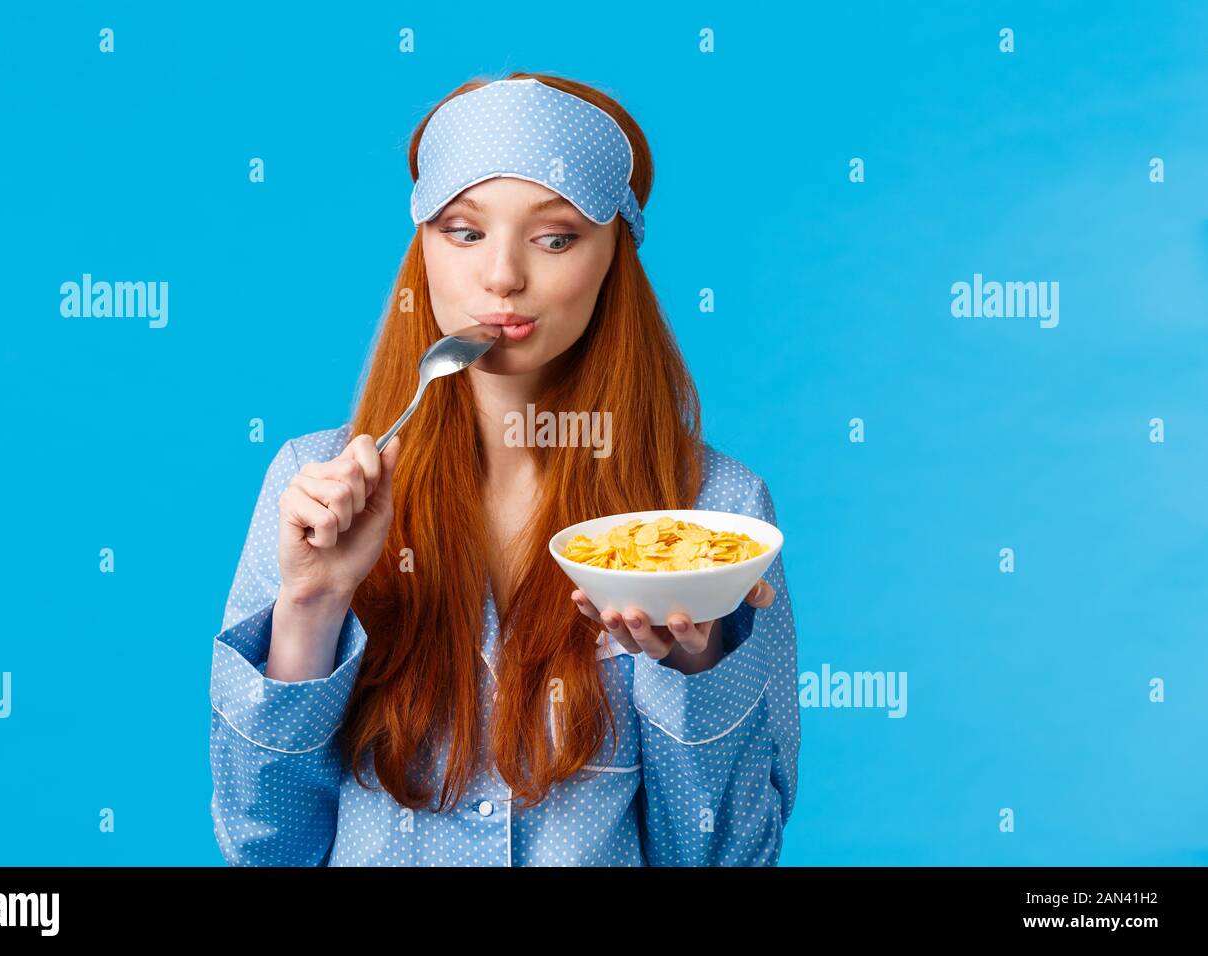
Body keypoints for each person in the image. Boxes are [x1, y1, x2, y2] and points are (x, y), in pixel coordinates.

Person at [209, 72, 800, 866]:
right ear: (422, 246)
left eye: (555, 237)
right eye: (462, 231)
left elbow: (729, 857)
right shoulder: (313, 486)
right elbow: (265, 849)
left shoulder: (710, 515)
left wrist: (691, 667)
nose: (502, 278)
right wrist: (312, 605)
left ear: (613, 257)